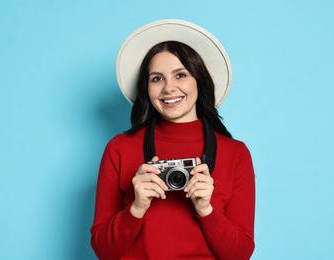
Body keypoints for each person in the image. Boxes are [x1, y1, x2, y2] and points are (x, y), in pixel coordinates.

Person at [90, 19, 255, 260]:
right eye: (156, 78)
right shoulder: (120, 148)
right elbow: (103, 250)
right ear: (146, 88)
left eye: (181, 75)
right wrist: (136, 208)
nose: (169, 88)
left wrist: (206, 210)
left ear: (199, 79)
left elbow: (240, 254)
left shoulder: (235, 153)